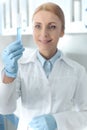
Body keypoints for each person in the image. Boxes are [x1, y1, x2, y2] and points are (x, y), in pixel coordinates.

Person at [0, 2, 87, 130]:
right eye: (38, 26)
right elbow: (4, 107)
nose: (44, 33)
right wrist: (9, 74)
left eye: (51, 27)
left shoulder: (77, 71)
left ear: (62, 31)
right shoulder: (20, 66)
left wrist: (57, 121)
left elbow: (85, 114)